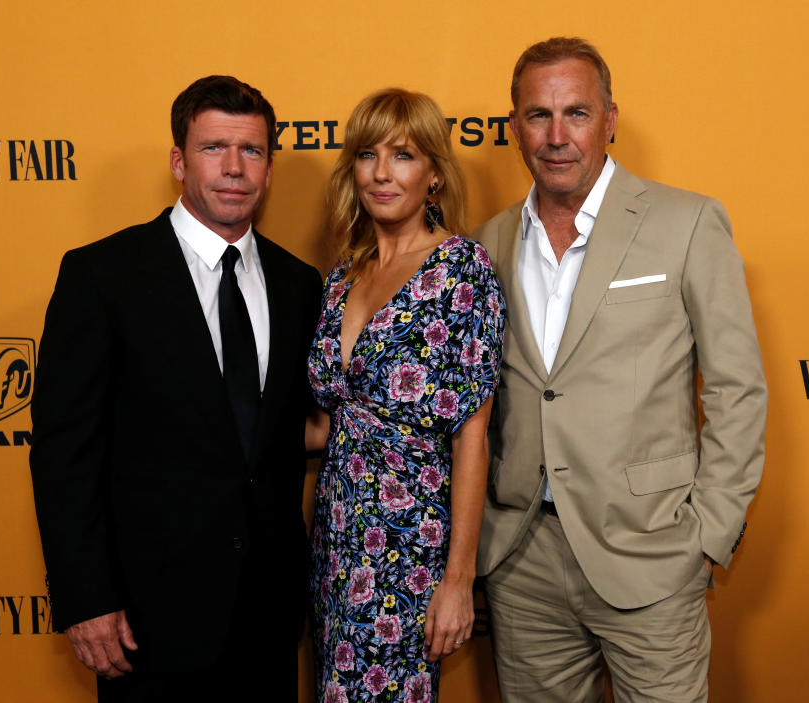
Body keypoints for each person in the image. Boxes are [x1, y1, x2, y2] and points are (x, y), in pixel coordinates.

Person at [474, 37, 767, 702]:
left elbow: (736, 387)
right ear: (514, 125)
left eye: (576, 113)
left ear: (610, 119)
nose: (556, 136)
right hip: (523, 561)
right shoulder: (487, 242)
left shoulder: (686, 222)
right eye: (537, 115)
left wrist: (709, 530)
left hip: (651, 548)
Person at [29, 75, 322, 702]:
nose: (234, 168)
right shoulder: (103, 275)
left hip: (268, 617)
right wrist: (86, 600)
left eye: (252, 151)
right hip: (144, 620)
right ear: (178, 161)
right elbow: (64, 453)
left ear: (270, 168)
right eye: (214, 147)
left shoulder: (300, 286)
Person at [304, 88, 505, 703]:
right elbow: (329, 425)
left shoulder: (460, 271)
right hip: (335, 541)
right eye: (367, 154)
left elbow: (473, 435)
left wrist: (457, 580)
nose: (382, 173)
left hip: (409, 549)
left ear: (435, 176)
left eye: (404, 155)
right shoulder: (343, 276)